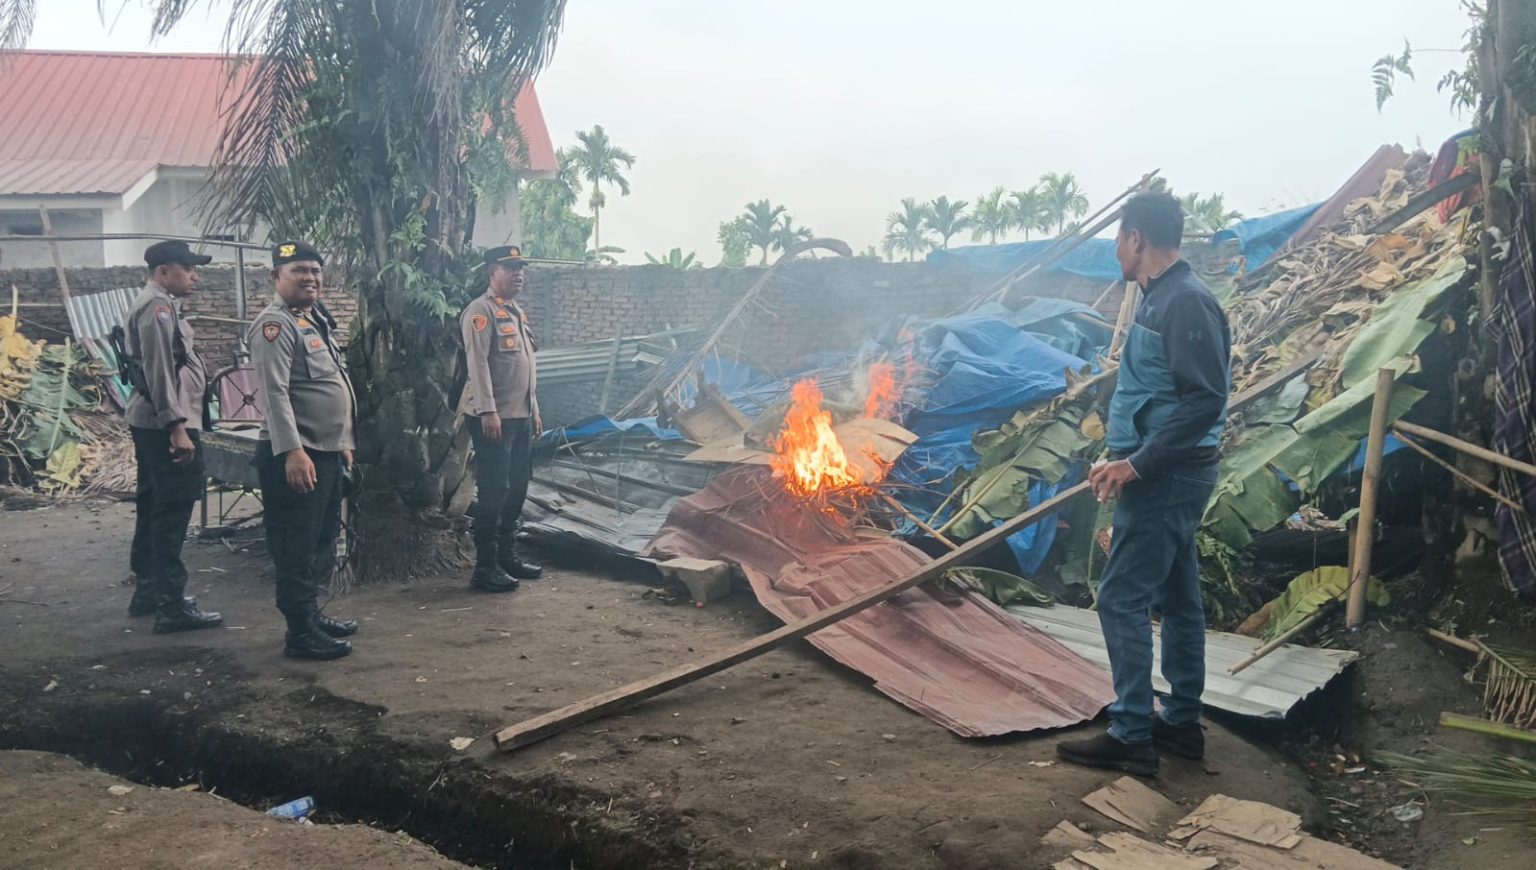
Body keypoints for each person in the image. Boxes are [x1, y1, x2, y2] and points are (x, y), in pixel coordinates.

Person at [1056, 192, 1231, 777]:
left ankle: (1132, 732)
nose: (1116, 251)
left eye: (1118, 239)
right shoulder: (1163, 297)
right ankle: (1180, 723)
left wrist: (1137, 464)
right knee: (1178, 599)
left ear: (1136, 238)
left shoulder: (1185, 301)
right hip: (1165, 473)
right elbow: (1160, 390)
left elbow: (1205, 399)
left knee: (1119, 598)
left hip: (1166, 478)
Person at [249, 241, 359, 660]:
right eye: (299, 270)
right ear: (276, 276)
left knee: (320, 539)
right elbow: (274, 394)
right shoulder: (274, 324)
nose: (310, 277)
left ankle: (311, 615)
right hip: (297, 454)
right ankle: (299, 632)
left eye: (315, 270)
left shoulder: (310, 320)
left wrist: (342, 441)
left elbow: (329, 384)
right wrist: (293, 452)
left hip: (324, 451)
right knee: (296, 544)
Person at [123, 240, 224, 633]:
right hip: (166, 423)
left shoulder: (159, 303)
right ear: (164, 271)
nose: (195, 276)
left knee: (154, 505)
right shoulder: (158, 307)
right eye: (188, 269)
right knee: (172, 509)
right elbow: (159, 370)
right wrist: (176, 427)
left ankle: (149, 591)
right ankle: (171, 604)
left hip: (154, 422)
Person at [458, 244, 544, 593]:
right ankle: (485, 566)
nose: (518, 274)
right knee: (494, 491)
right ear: (492, 272)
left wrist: (534, 409)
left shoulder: (515, 312)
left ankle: (506, 556)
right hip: (494, 418)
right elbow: (477, 364)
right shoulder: (480, 311)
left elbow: (526, 366)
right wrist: (487, 409)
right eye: (510, 268)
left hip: (520, 416)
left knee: (517, 487)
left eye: (521, 268)